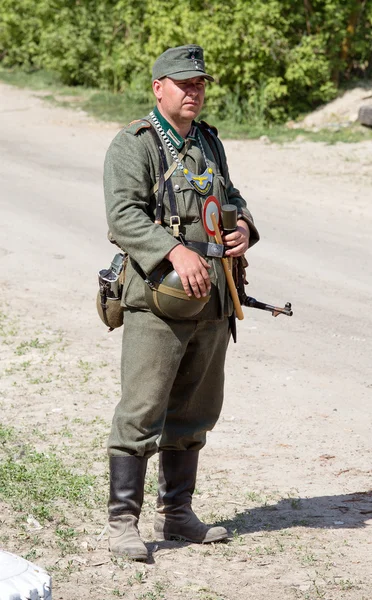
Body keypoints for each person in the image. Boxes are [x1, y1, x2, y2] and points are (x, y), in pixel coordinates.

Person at [103, 44, 259, 561]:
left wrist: (243, 228)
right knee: (143, 409)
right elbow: (123, 215)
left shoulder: (208, 143)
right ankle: (123, 523)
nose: (194, 91)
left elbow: (231, 197)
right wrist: (172, 250)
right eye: (184, 83)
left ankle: (177, 514)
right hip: (158, 300)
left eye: (200, 84)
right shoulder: (136, 143)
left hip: (214, 296)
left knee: (195, 410)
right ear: (158, 87)